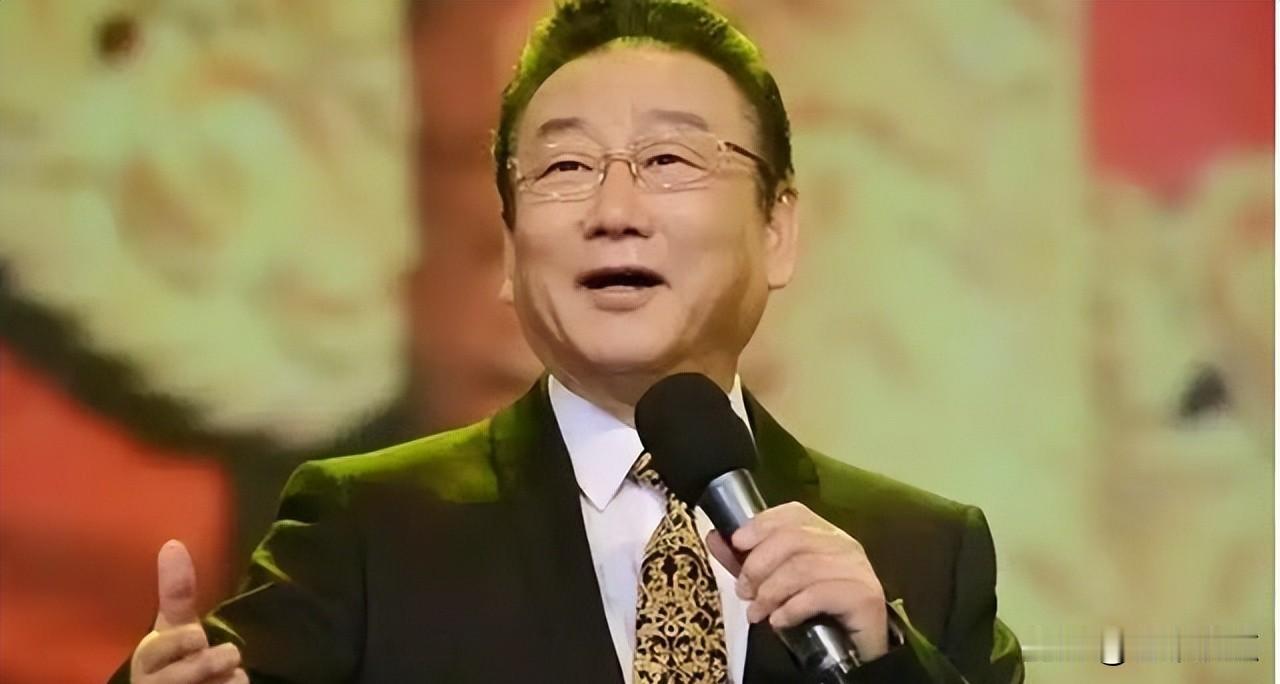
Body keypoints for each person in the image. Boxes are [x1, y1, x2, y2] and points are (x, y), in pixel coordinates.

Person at [115, 0, 1024, 682]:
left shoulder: (923, 557)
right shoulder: (365, 535)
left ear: (778, 229)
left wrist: (886, 668)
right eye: (564, 166)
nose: (614, 211)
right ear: (510, 251)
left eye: (668, 160)